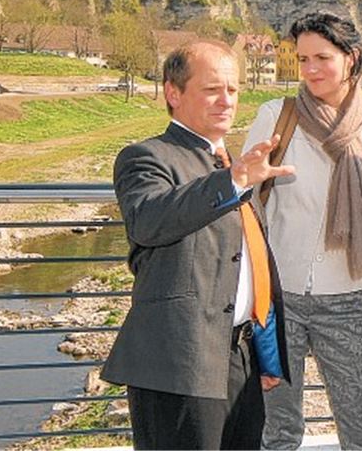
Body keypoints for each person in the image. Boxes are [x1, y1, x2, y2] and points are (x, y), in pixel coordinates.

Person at [103, 40, 294, 450]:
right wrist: (236, 180)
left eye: (233, 89)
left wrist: (264, 353)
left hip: (240, 358)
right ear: (174, 92)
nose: (226, 100)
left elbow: (248, 265)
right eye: (212, 89)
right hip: (179, 364)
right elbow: (149, 221)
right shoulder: (146, 157)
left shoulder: (229, 162)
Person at [246, 12, 362, 450]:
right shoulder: (276, 117)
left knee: (361, 430)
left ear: (350, 58)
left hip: (348, 300)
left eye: (322, 57)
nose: (311, 69)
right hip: (278, 302)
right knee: (278, 432)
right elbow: (244, 206)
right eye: (303, 59)